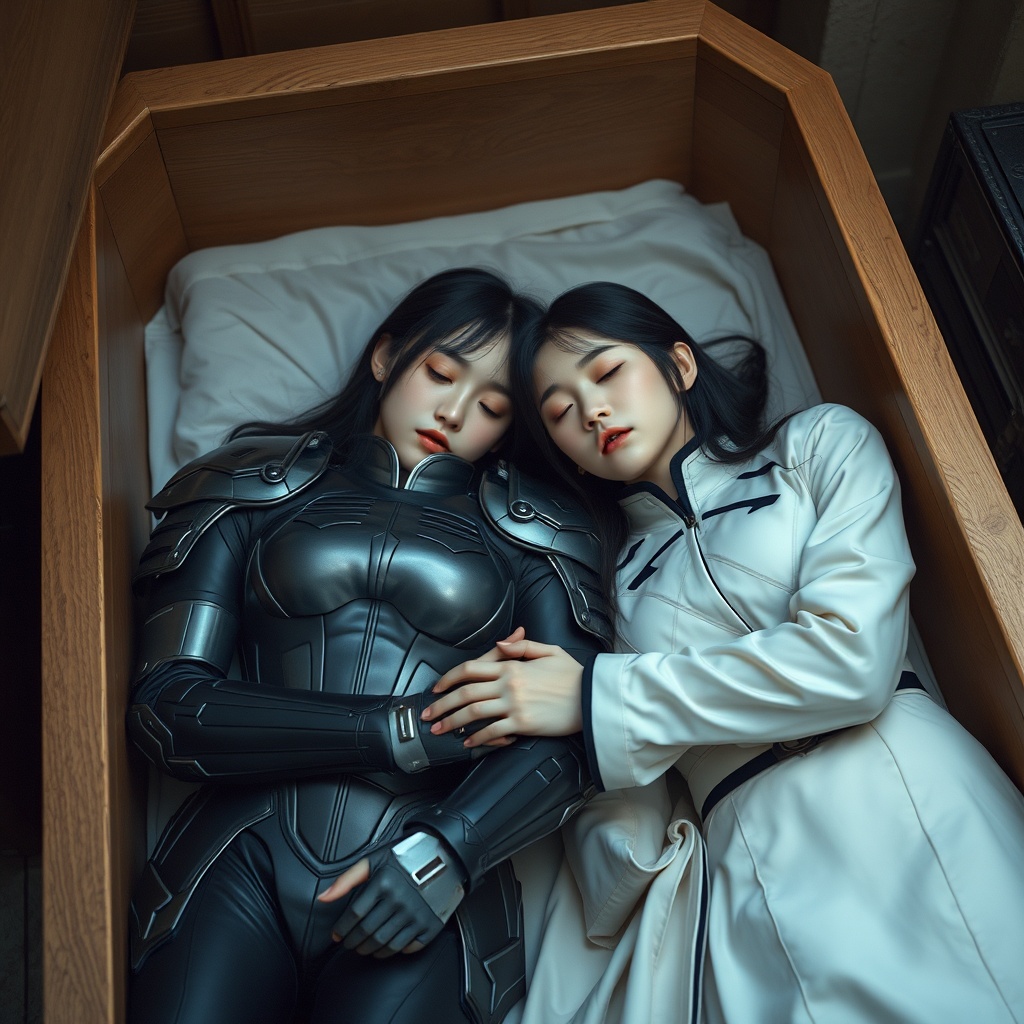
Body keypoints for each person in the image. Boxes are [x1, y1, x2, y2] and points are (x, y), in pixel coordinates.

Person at [425, 281, 1024, 1023]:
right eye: (560, 414)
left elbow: (852, 663)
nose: (593, 412)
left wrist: (595, 698)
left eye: (608, 373)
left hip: (912, 793)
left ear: (680, 364)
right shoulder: (597, 591)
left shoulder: (818, 447)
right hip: (758, 859)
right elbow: (618, 795)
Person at [124, 268, 613, 1024]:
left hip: (427, 883)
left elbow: (575, 736)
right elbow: (167, 709)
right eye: (440, 373)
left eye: (490, 406)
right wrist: (402, 734)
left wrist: (449, 853)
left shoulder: (543, 537)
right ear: (388, 356)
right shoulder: (241, 485)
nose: (453, 413)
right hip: (234, 860)